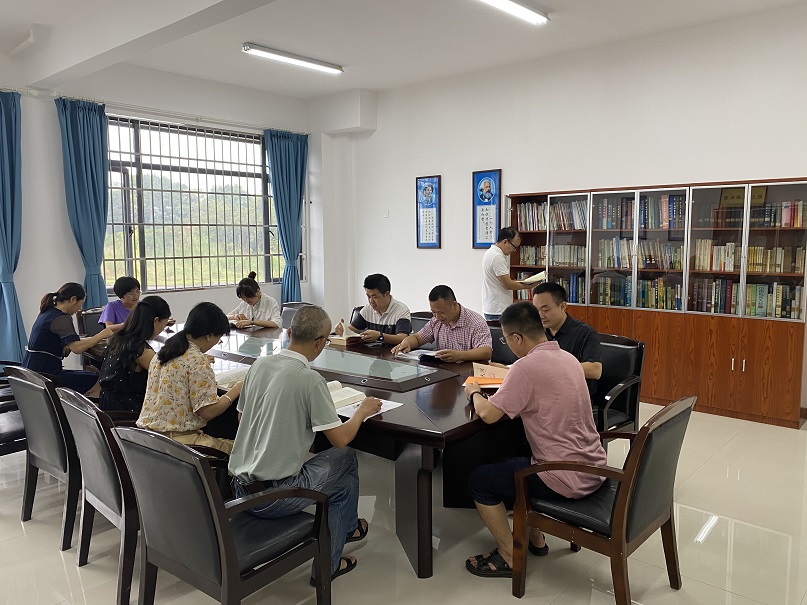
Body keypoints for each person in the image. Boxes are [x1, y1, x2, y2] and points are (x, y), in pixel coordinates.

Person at [229, 305, 382, 586]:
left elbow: (242, 419)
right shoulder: (310, 380)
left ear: (289, 333)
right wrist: (361, 411)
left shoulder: (259, 366)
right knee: (346, 459)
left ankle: (347, 531)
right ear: (320, 342)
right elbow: (340, 439)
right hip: (274, 498)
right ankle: (329, 562)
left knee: (342, 480)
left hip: (239, 489)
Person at [463, 301, 607, 578]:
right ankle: (536, 539)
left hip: (563, 476)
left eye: (505, 339)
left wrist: (474, 392)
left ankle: (509, 554)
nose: (507, 345)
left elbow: (489, 415)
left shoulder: (525, 367)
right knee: (516, 451)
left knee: (479, 481)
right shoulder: (569, 358)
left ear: (517, 338)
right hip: (593, 465)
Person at [137, 302, 242, 453]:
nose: (216, 343)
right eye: (218, 338)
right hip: (181, 444)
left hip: (149, 440)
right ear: (208, 335)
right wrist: (237, 389)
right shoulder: (197, 360)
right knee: (243, 451)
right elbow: (208, 412)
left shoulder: (162, 354)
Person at [23, 282, 114, 397]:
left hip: (33, 370)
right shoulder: (61, 318)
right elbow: (77, 348)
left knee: (91, 377)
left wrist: (93, 339)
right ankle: (88, 408)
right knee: (99, 380)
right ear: (73, 299)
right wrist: (101, 335)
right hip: (45, 375)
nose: (79, 308)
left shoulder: (48, 311)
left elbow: (71, 341)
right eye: (81, 304)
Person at [98, 295, 172, 413]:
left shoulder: (118, 339)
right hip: (127, 411)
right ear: (155, 321)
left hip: (108, 405)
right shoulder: (140, 351)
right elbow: (168, 374)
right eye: (163, 325)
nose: (162, 329)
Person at [532, 282, 602, 395]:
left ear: (563, 306)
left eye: (546, 310)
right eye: (537, 310)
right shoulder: (538, 332)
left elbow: (595, 370)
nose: (541, 315)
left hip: (574, 395)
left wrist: (553, 367)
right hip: (545, 392)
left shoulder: (585, 333)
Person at [391, 285, 492, 362]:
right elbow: (417, 338)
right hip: (444, 371)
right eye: (433, 312)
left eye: (441, 312)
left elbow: (486, 351)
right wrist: (406, 343)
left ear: (454, 305)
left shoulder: (476, 322)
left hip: (469, 374)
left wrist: (460, 355)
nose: (437, 317)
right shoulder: (436, 321)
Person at [334, 273, 412, 345]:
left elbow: (403, 338)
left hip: (393, 353)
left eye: (375, 297)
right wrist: (343, 329)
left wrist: (380, 336)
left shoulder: (401, 311)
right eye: (368, 296)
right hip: (371, 353)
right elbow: (352, 330)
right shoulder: (368, 309)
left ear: (387, 294)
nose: (371, 301)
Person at [481, 227, 533, 320]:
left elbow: (503, 281)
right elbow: (508, 284)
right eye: (514, 247)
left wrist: (524, 281)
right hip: (498, 309)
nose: (514, 250)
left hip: (494, 307)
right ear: (505, 241)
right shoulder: (497, 257)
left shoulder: (490, 253)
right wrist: (528, 286)